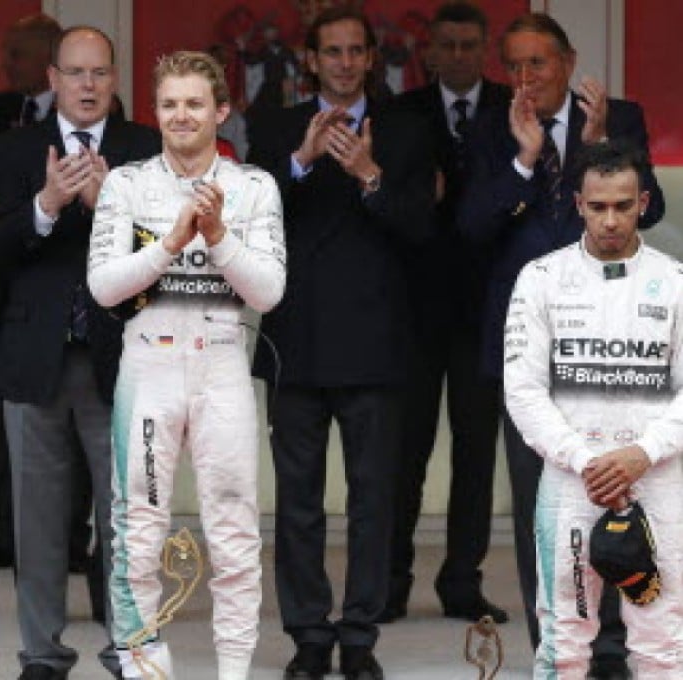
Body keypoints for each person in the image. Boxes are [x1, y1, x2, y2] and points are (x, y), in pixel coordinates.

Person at [458, 13, 665, 677]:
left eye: (538, 64)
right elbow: (469, 225)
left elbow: (646, 209)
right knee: (544, 508)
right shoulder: (491, 125)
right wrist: (522, 161)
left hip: (627, 350)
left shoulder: (619, 117)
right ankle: (559, 646)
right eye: (513, 65)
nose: (525, 79)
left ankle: (617, 651)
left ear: (569, 61)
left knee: (635, 504)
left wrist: (598, 144)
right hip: (534, 347)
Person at [247, 6, 435, 679]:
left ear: (372, 58)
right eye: (333, 52)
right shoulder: (273, 127)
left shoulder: (409, 130)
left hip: (378, 344)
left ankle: (359, 636)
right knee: (297, 503)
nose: (346, 63)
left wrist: (370, 175)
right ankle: (307, 637)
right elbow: (247, 222)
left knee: (371, 501)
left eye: (357, 51)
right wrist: (299, 160)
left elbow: (423, 231)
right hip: (294, 341)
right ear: (311, 59)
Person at [89, 49, 285, 680]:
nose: (181, 115)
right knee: (137, 533)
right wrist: (172, 242)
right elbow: (103, 286)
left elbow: (269, 291)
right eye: (170, 104)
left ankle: (233, 673)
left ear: (220, 111)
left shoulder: (254, 186)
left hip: (223, 369)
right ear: (155, 110)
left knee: (233, 532)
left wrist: (220, 235)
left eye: (195, 104)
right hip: (148, 372)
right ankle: (147, 671)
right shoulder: (126, 183)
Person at [0, 25, 159, 680]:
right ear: (52, 79)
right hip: (38, 356)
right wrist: (48, 204)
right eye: (76, 73)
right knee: (38, 521)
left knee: (127, 516)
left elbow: (168, 256)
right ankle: (42, 653)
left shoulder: (145, 149)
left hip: (123, 358)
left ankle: (129, 648)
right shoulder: (18, 151)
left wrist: (107, 207)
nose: (88, 85)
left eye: (100, 73)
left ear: (115, 80)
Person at [504, 140, 683, 678]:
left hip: (659, 478)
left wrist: (642, 453)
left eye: (623, 206)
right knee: (563, 646)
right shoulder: (540, 278)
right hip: (569, 483)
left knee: (662, 646)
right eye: (598, 206)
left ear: (644, 203)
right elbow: (523, 391)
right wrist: (587, 462)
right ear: (578, 203)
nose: (610, 220)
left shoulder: (675, 283)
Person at [0, 13, 96, 578]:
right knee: (4, 420)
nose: (5, 65)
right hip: (8, 295)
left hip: (76, 297)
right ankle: (0, 534)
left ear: (46, 63)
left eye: (15, 54)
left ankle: (69, 541)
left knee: (82, 422)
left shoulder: (99, 114)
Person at [382, 0, 510, 625]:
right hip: (414, 310)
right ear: (428, 52)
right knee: (404, 452)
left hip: (486, 311)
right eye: (448, 46)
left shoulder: (513, 108)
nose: (458, 56)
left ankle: (463, 581)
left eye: (469, 45)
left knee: (476, 452)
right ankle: (390, 581)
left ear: (484, 49)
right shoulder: (401, 112)